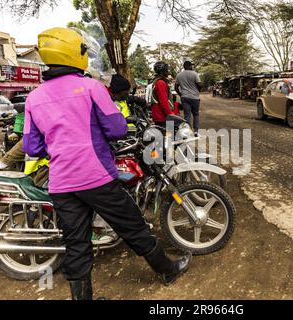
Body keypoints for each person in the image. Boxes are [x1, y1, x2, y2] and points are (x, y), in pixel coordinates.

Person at [24, 27, 191, 300]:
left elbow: (32, 147)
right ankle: (167, 270)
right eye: (82, 49)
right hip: (96, 177)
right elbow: (116, 128)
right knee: (133, 225)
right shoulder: (91, 87)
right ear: (73, 53)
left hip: (62, 184)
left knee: (76, 243)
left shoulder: (34, 97)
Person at [175, 60, 203, 133]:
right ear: (189, 66)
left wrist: (181, 94)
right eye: (191, 65)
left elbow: (176, 87)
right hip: (194, 98)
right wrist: (197, 91)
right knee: (196, 114)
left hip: (184, 97)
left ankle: (188, 131)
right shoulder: (194, 74)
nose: (192, 67)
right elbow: (200, 84)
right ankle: (196, 131)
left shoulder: (179, 75)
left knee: (187, 115)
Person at [150, 61, 175, 126]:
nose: (167, 71)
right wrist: (171, 114)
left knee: (166, 135)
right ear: (162, 71)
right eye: (166, 70)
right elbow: (163, 101)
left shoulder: (158, 81)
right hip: (162, 116)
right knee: (170, 134)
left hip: (161, 115)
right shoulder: (160, 83)